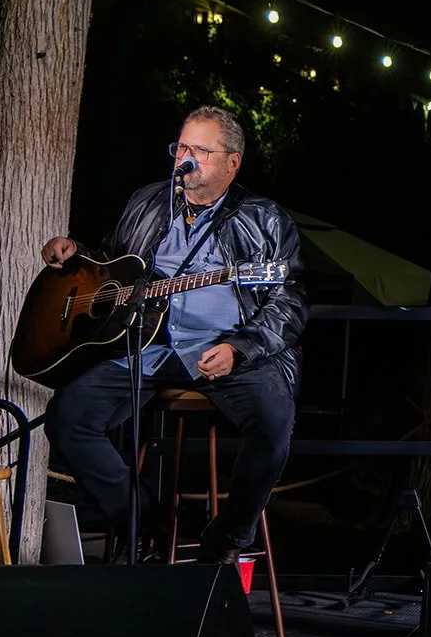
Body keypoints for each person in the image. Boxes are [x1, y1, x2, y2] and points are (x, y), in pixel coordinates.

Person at [41, 105, 306, 564]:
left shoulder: (265, 219)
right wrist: (77, 253)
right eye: (182, 147)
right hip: (149, 346)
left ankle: (226, 538)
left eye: (200, 150)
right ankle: (142, 517)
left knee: (272, 423)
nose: (186, 158)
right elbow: (114, 265)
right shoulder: (147, 202)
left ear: (232, 162)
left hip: (231, 352)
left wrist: (239, 349)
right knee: (67, 416)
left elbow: (290, 301)